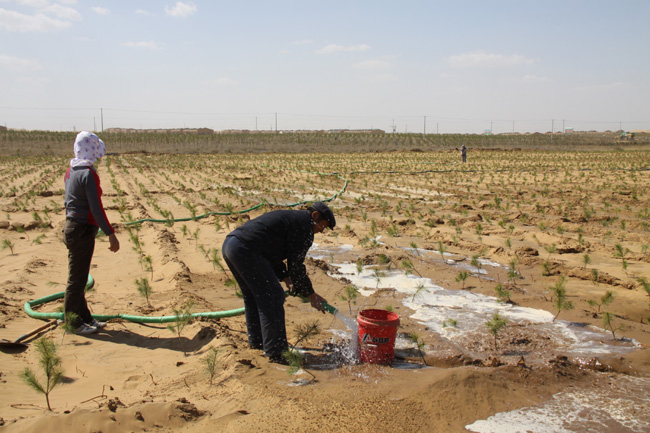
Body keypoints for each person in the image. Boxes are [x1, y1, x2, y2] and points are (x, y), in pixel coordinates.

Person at [221, 202, 335, 363]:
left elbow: (272, 252)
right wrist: (311, 294)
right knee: (273, 296)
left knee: (254, 296)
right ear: (315, 216)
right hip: (246, 249)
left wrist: (287, 279)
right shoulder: (305, 228)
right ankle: (277, 352)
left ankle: (258, 342)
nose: (321, 230)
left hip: (231, 245)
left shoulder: (294, 220)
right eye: (322, 226)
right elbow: (296, 264)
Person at [63, 131, 120, 335]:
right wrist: (110, 234)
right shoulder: (88, 174)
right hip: (82, 230)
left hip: (73, 227)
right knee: (76, 281)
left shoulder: (71, 170)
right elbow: (96, 208)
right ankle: (72, 322)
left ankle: (85, 318)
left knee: (79, 277)